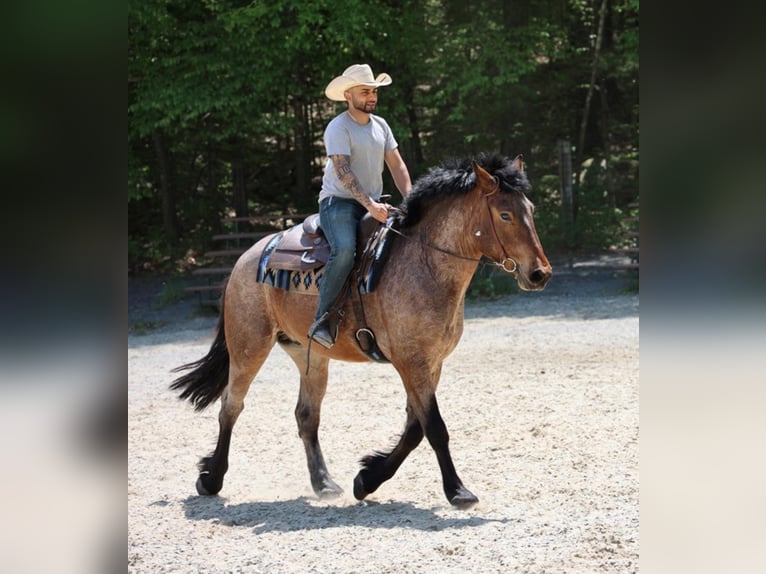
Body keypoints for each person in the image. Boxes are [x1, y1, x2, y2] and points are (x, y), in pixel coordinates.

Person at [308, 64, 412, 348]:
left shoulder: (382, 126)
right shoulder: (338, 127)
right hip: (339, 203)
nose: (372, 96)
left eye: (374, 91)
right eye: (365, 91)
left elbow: (397, 165)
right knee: (344, 251)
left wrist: (412, 199)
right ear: (347, 95)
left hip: (374, 203)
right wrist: (371, 206)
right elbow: (343, 172)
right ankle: (322, 320)